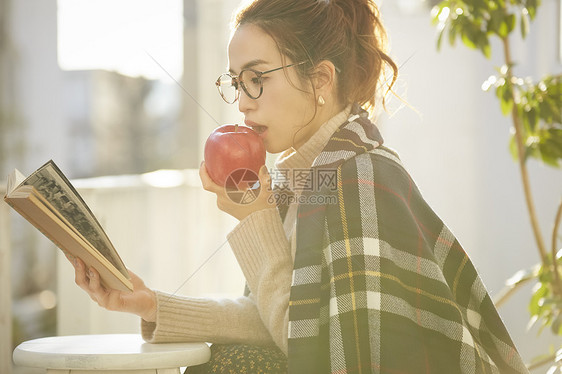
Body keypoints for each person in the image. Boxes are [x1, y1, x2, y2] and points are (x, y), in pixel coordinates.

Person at [68, 0, 530, 372]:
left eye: (257, 79)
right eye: (236, 82)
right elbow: (287, 317)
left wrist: (255, 219)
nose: (243, 104)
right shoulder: (303, 177)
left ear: (321, 80)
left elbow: (326, 356)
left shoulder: (359, 177)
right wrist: (151, 305)